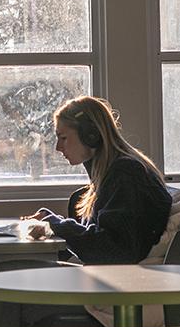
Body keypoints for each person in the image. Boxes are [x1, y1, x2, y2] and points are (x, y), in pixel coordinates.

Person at [23, 96, 171, 264]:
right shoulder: (111, 174)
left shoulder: (126, 174)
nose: (58, 147)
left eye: (63, 138)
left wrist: (55, 224)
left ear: (90, 135)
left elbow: (112, 249)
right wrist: (51, 220)